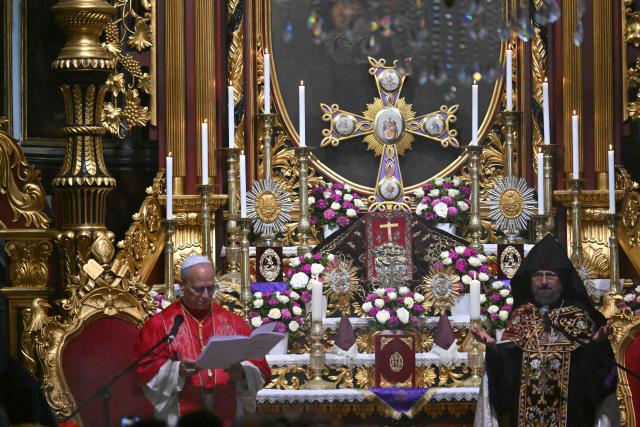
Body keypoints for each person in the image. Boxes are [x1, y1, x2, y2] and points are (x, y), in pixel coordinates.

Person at [471, 234, 620, 426]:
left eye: (550, 275)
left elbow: (596, 383)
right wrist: (494, 349)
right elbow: (506, 378)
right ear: (529, 280)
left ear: (562, 280)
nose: (543, 281)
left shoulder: (581, 318)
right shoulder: (521, 316)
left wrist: (596, 346)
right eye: (537, 275)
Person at [133, 256, 271, 427]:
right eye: (198, 289)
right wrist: (178, 371)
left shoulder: (234, 322)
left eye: (211, 288)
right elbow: (143, 373)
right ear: (182, 285)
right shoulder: (161, 324)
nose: (206, 295)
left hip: (228, 413)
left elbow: (261, 368)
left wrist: (243, 373)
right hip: (180, 415)